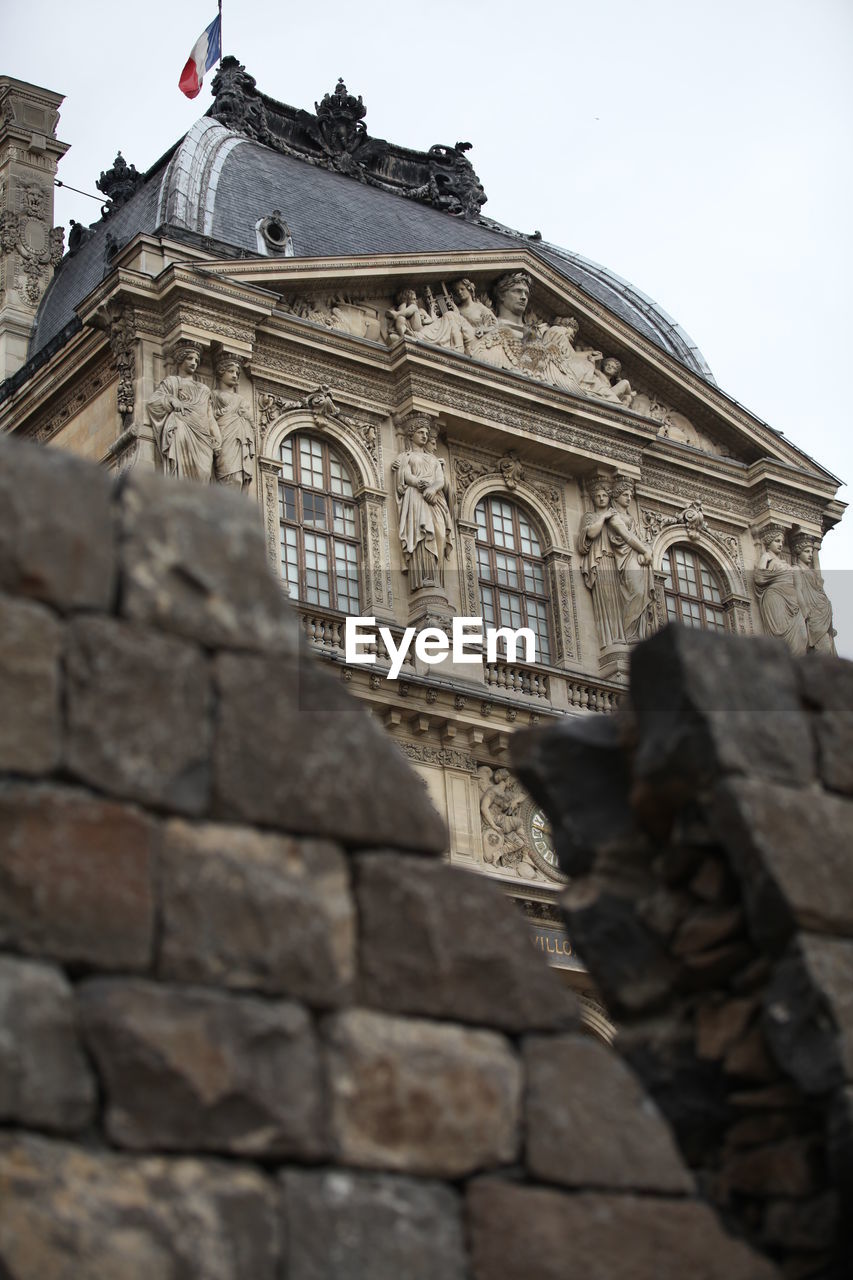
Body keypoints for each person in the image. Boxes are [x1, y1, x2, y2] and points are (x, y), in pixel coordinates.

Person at [579, 476, 655, 646]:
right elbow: (591, 534)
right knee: (609, 601)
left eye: (604, 496)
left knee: (629, 595)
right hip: (602, 560)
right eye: (598, 496)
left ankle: (628, 636)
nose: (601, 498)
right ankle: (615, 641)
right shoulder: (592, 516)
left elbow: (631, 536)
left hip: (617, 559)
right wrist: (604, 516)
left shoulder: (621, 516)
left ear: (609, 497)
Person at [391, 418, 454, 590]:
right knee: (421, 535)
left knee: (439, 535)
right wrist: (420, 484)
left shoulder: (433, 459)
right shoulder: (405, 456)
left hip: (434, 500)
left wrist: (433, 489)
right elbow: (405, 475)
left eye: (426, 433)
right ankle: (423, 578)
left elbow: (440, 479)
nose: (425, 436)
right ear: (411, 435)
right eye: (421, 432)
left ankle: (436, 579)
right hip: (416, 497)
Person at [146, 341, 220, 483]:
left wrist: (217, 439)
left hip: (202, 436)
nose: (194, 363)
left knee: (204, 471)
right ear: (180, 359)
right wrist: (170, 399)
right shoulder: (171, 382)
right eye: (190, 358)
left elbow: (209, 416)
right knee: (182, 470)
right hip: (182, 428)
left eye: (196, 360)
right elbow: (153, 402)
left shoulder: (204, 389)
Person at [754, 527, 808, 655]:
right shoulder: (766, 556)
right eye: (777, 541)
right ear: (769, 542)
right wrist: (777, 575)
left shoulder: (783, 561)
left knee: (803, 636)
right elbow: (759, 575)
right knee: (780, 633)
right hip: (776, 597)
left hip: (792, 600)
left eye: (781, 542)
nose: (780, 544)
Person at [212, 356, 255, 489]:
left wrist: (247, 417)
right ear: (221, 372)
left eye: (237, 373)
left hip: (239, 440)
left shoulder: (241, 400)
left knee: (238, 477)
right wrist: (220, 413)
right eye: (231, 371)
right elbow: (206, 416)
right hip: (224, 437)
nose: (235, 375)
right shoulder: (214, 394)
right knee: (228, 474)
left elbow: (252, 424)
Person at [793, 534, 837, 654]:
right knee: (823, 646)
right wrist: (804, 609)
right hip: (812, 611)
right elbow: (798, 589)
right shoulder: (796, 569)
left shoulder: (812, 571)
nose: (810, 554)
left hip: (822, 610)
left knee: (828, 644)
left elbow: (819, 587)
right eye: (806, 551)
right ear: (798, 552)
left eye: (811, 552)